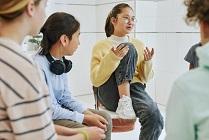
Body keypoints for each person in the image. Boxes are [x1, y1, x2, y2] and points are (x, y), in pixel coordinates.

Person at [0, 0, 105, 140]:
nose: (45, 15)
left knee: (103, 120)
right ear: (31, 7)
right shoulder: (22, 67)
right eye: (45, 6)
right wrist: (84, 135)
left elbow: (37, 127)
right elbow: (41, 136)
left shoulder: (10, 59)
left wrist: (83, 119)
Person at [90, 3, 163, 140]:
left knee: (155, 116)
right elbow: (96, 79)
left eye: (133, 18)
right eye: (126, 18)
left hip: (134, 89)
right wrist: (113, 58)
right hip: (109, 92)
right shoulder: (100, 46)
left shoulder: (139, 44)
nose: (131, 22)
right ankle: (125, 100)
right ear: (114, 20)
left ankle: (127, 100)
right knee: (128, 47)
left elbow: (145, 78)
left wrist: (147, 62)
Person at [34, 12, 112, 140]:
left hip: (58, 109)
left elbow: (65, 97)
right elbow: (50, 109)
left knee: (105, 118)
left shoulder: (60, 62)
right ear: (64, 40)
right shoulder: (38, 65)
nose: (79, 43)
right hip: (46, 117)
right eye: (77, 36)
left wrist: (86, 112)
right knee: (87, 130)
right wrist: (84, 118)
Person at [165, 0, 209, 140]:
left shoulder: (186, 87)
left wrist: (190, 85)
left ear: (203, 25)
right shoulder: (194, 49)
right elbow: (190, 68)